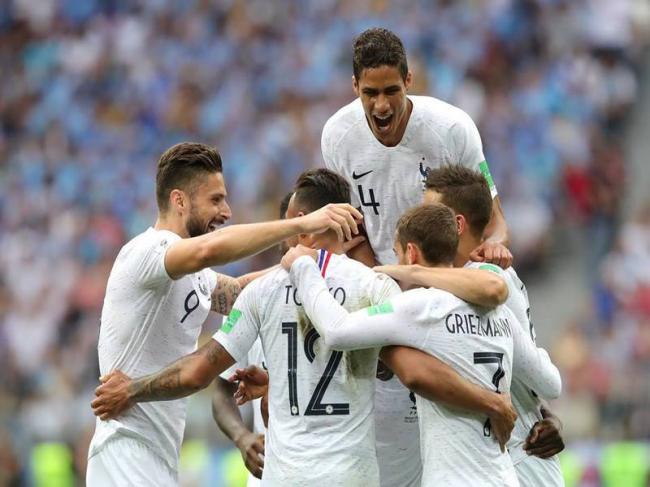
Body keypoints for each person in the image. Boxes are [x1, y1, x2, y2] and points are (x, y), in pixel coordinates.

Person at [91, 169, 516, 486]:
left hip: (286, 475)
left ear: (301, 218)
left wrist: (132, 388)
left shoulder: (263, 293)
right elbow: (409, 370)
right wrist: (491, 401)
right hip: (350, 474)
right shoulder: (373, 286)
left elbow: (198, 372)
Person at [86, 143, 362, 486]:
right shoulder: (147, 252)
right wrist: (301, 224)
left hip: (153, 451)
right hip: (125, 446)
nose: (226, 211)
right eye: (215, 200)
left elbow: (244, 291)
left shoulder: (194, 276)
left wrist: (321, 258)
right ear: (179, 201)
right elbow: (207, 250)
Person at [321, 27, 513, 486]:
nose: (381, 105)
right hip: (385, 290)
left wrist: (492, 248)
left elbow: (495, 221)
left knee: (474, 431)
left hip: (449, 293)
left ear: (410, 80)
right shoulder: (338, 137)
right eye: (370, 93)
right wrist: (383, 286)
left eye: (391, 90)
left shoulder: (451, 130)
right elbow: (351, 231)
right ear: (354, 86)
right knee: (396, 449)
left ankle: (532, 411)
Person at [282, 203, 562, 487]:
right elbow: (551, 383)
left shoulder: (420, 307)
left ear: (411, 252)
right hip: (502, 476)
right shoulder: (500, 313)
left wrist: (304, 269)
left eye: (397, 253)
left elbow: (337, 331)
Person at [377, 165, 566, 486]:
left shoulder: (489, 278)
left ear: (457, 224)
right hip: (490, 456)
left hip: (517, 455)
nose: (422, 217)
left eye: (430, 210)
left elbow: (538, 377)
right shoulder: (457, 282)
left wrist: (543, 412)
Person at [211, 192, 293, 484]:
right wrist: (242, 436)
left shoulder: (349, 295)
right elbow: (222, 390)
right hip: (270, 476)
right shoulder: (249, 300)